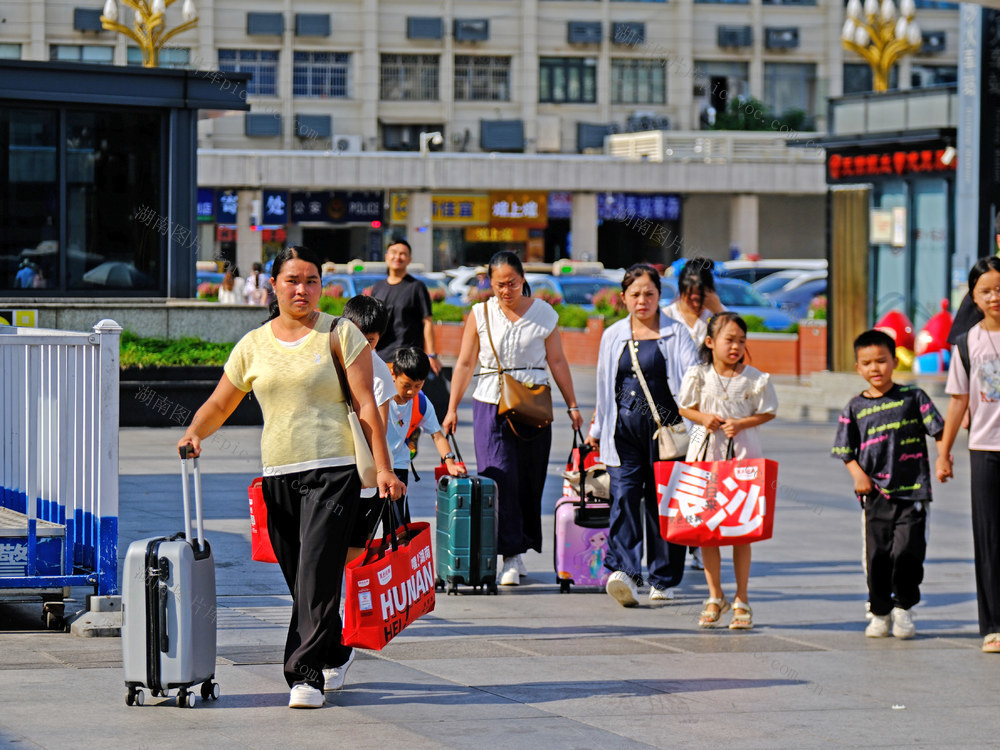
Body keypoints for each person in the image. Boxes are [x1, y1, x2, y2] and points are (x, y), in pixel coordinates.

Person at [177, 245, 404, 709]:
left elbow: (365, 405)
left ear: (322, 286)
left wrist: (383, 468)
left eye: (312, 281)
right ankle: (335, 648)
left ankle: (304, 676)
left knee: (317, 573)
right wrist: (196, 432)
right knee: (302, 581)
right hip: (278, 474)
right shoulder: (253, 345)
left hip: (333, 471)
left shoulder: (341, 334)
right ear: (273, 286)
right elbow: (223, 401)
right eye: (292, 281)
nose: (302, 289)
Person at [442, 250, 584, 586]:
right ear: (489, 284)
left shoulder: (544, 314)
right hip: (490, 402)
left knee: (530, 479)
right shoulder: (480, 313)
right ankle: (508, 554)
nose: (506, 291)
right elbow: (464, 363)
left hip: (533, 402)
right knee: (499, 476)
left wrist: (573, 405)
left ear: (523, 280)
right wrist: (451, 408)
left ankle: (521, 546)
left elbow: (558, 362)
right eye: (499, 285)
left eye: (513, 283)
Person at [586, 264, 700, 607]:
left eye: (649, 294)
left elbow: (691, 382)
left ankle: (663, 578)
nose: (642, 300)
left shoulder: (676, 334)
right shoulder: (613, 335)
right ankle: (625, 572)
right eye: (635, 294)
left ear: (658, 297)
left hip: (667, 433)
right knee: (623, 496)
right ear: (623, 298)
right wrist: (597, 428)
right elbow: (606, 386)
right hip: (623, 431)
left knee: (662, 503)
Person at [833, 329, 944, 639]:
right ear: (858, 367)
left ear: (894, 361)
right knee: (878, 556)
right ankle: (879, 612)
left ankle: (904, 608)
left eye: (881, 361)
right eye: (867, 363)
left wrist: (943, 458)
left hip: (913, 492)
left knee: (908, 552)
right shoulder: (855, 407)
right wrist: (858, 475)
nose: (875, 369)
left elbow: (938, 430)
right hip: (874, 496)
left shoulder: (914, 397)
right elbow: (844, 450)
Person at [678, 312, 778, 629]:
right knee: (707, 532)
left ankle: (742, 598)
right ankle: (714, 594)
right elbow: (683, 406)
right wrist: (702, 418)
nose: (735, 346)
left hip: (743, 458)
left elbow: (768, 411)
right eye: (729, 340)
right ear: (710, 342)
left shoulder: (754, 378)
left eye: (741, 341)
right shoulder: (699, 374)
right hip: (705, 455)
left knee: (740, 530)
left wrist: (742, 423)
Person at [936, 256, 1000, 653]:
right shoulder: (967, 343)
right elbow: (958, 402)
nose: (995, 297)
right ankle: (994, 625)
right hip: (985, 448)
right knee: (990, 539)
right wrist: (943, 454)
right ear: (974, 297)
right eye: (987, 291)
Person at [662, 257, 725, 572]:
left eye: (702, 294)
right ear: (681, 290)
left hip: (707, 413)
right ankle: (675, 542)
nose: (696, 300)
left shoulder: (714, 322)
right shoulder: (666, 318)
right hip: (671, 412)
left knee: (703, 480)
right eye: (691, 293)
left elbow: (736, 347)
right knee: (675, 480)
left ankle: (699, 543)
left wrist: (720, 309)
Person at [341, 294, 396, 562]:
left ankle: (347, 601)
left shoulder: (379, 372)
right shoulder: (329, 359)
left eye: (370, 341)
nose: (362, 346)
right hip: (332, 467)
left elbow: (380, 428)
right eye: (357, 336)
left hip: (364, 474)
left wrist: (382, 469)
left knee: (354, 545)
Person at [386, 347, 465, 521]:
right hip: (374, 466)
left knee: (399, 529)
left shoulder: (421, 402)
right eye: (406, 385)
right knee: (365, 530)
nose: (411, 392)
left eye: (417, 386)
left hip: (399, 466)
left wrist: (450, 462)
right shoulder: (380, 395)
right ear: (394, 375)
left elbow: (437, 435)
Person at [370, 239, 442, 376]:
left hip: (408, 360)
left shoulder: (416, 287)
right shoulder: (378, 288)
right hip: (381, 359)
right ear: (386, 257)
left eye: (403, 254)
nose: (398, 257)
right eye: (394, 252)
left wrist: (432, 354)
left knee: (408, 397)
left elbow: (427, 321)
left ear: (409, 259)